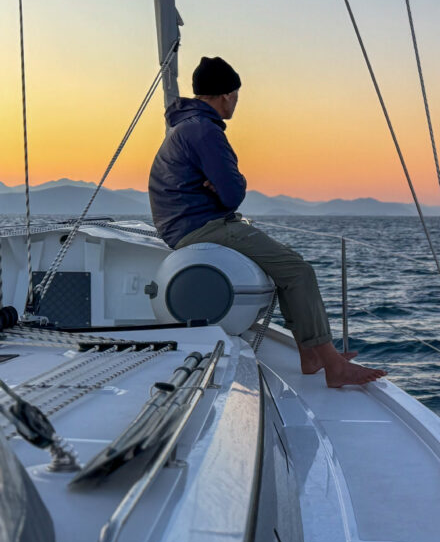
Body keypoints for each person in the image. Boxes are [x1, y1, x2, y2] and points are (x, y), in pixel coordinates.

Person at [148, 56, 385, 387]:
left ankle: (310, 354)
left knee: (285, 266)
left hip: (183, 226)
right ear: (227, 94)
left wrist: (220, 185)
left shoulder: (182, 128)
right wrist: (234, 182)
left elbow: (221, 188)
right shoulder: (205, 132)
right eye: (236, 95)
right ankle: (332, 365)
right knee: (297, 269)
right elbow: (233, 195)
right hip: (202, 226)